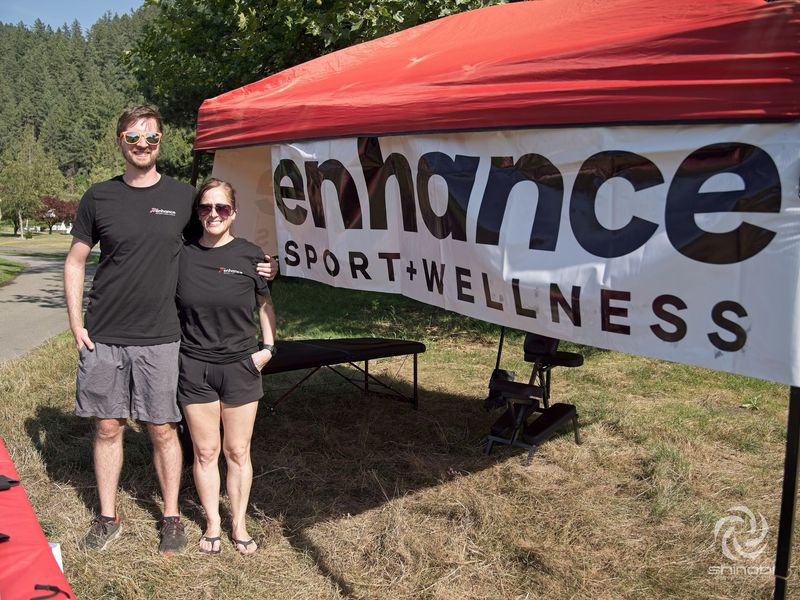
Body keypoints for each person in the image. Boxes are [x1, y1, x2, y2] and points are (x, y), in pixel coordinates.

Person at [63, 105, 277, 554]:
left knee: (162, 429)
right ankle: (107, 517)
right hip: (104, 333)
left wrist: (260, 266)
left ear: (162, 142)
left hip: (163, 336)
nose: (143, 145)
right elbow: (76, 261)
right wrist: (76, 322)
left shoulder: (183, 198)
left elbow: (215, 239)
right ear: (119, 140)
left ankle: (173, 517)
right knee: (107, 427)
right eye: (133, 137)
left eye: (152, 138)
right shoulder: (99, 197)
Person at [176, 178, 276, 555]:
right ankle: (212, 524)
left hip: (240, 367)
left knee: (237, 452)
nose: (213, 214)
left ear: (234, 213)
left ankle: (239, 524)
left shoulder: (251, 256)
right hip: (195, 367)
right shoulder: (181, 255)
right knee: (205, 452)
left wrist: (268, 347)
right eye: (205, 207)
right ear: (198, 212)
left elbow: (265, 304)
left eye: (221, 208)